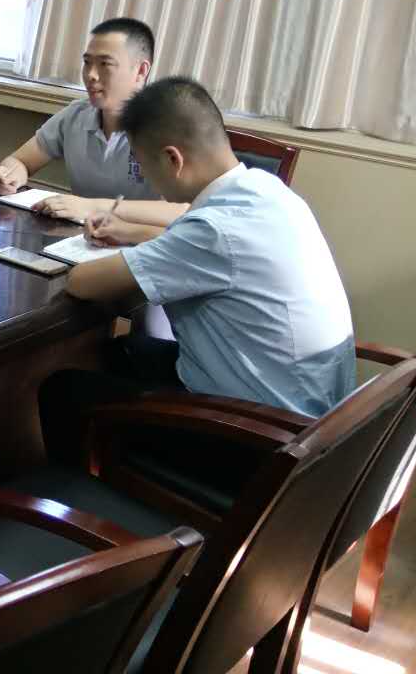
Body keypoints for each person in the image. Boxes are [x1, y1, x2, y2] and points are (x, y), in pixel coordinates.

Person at [39, 77, 354, 464]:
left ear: (173, 160)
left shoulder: (212, 232)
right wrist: (132, 232)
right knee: (125, 352)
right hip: (311, 420)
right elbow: (214, 248)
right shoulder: (267, 190)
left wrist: (131, 243)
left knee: (64, 388)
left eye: (141, 165)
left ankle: (91, 493)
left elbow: (83, 283)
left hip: (255, 439)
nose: (144, 177)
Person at [0, 18, 184, 235]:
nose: (91, 74)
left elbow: (183, 210)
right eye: (87, 62)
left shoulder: (167, 128)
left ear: (140, 71)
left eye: (105, 64)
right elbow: (20, 161)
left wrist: (92, 207)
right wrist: (9, 177)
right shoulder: (75, 115)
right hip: (82, 239)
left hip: (142, 245)